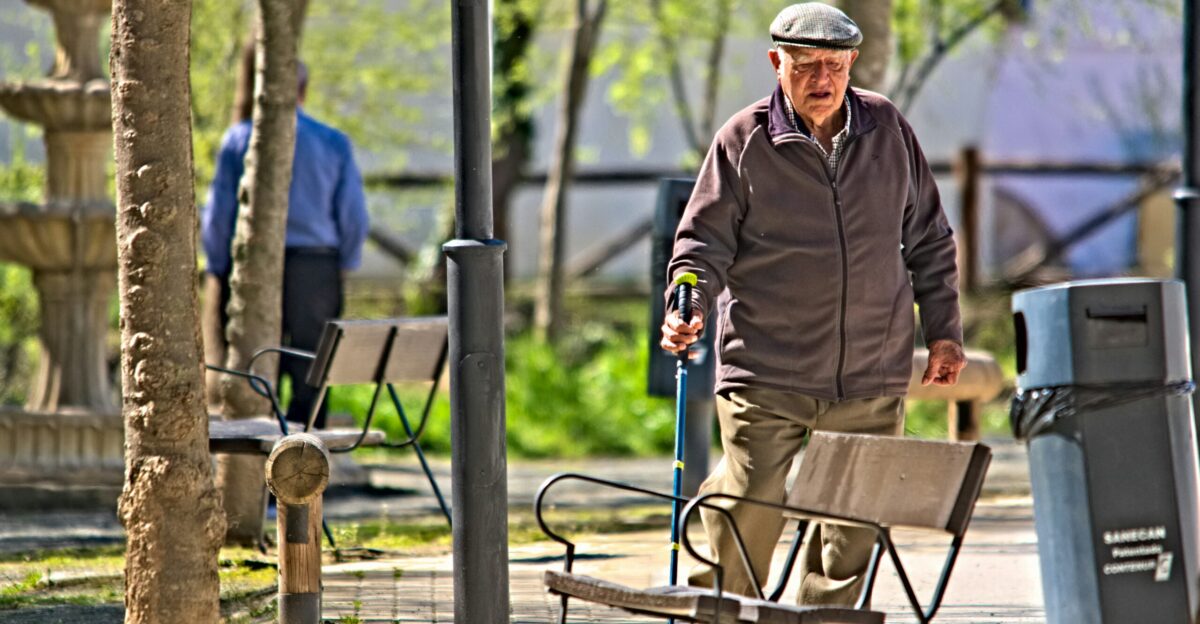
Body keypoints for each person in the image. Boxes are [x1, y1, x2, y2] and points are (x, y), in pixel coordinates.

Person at [659, 2, 966, 606]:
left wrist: (945, 333)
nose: (821, 80)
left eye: (834, 64)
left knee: (850, 537)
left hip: (871, 372)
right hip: (767, 368)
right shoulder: (743, 141)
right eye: (805, 65)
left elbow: (928, 237)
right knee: (746, 507)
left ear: (852, 63)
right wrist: (685, 303)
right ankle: (722, 614)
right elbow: (700, 245)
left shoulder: (887, 129)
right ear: (777, 63)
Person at [202, 61, 369, 429]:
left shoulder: (238, 140)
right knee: (312, 371)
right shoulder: (332, 142)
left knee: (258, 366)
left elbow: (219, 213)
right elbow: (354, 216)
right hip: (316, 266)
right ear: (303, 91)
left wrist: (218, 266)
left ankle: (261, 468)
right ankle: (307, 465)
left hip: (254, 265)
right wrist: (344, 264)